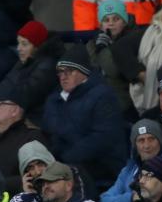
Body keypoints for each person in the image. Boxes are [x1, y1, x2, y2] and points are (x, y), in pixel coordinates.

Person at [42, 47, 127, 187]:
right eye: (60, 72)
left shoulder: (103, 96)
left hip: (100, 166)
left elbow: (103, 138)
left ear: (83, 72)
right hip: (63, 163)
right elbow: (49, 131)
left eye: (69, 71)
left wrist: (65, 158)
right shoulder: (54, 99)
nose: (63, 76)